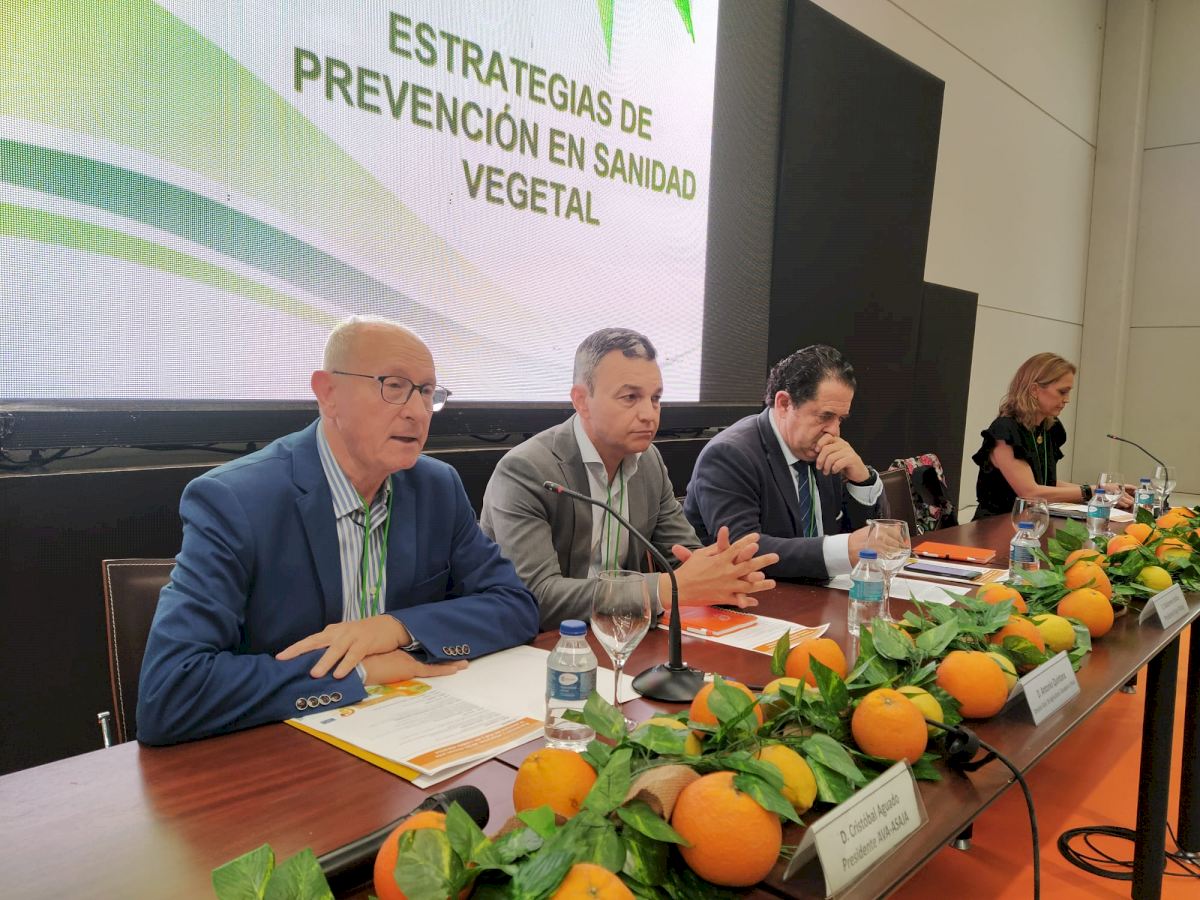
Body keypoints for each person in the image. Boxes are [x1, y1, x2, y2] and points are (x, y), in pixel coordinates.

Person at [137, 317, 539, 745]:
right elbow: (170, 692)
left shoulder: (436, 486)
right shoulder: (235, 500)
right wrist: (360, 671)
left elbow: (515, 606)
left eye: (426, 392)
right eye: (394, 386)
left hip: (412, 727)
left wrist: (395, 627)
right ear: (328, 394)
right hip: (284, 750)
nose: (417, 411)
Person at [479, 328, 779, 630]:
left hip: (624, 632)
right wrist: (664, 590)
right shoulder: (526, 469)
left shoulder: (648, 461)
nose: (649, 414)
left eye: (655, 398)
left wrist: (722, 571)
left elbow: (681, 558)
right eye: (630, 397)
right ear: (581, 400)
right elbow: (536, 596)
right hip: (544, 641)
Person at [684, 345, 888, 581]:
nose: (834, 431)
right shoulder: (730, 455)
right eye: (825, 416)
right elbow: (742, 550)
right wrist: (842, 549)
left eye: (840, 419)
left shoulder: (824, 449)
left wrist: (863, 481)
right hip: (757, 596)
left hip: (820, 593)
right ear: (783, 404)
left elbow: (868, 542)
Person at [971, 352, 1129, 519]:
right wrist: (1091, 491)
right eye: (1062, 392)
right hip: (997, 524)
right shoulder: (1005, 430)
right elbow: (1030, 492)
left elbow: (1047, 483)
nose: (1067, 400)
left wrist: (1103, 492)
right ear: (1034, 390)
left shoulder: (1049, 428)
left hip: (1035, 521)